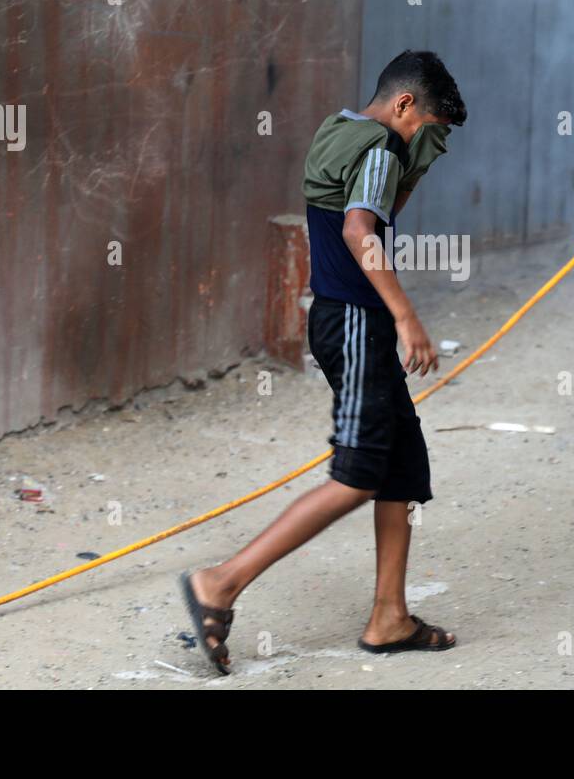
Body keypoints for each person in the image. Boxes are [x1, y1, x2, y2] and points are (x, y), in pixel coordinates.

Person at [181, 50, 467, 673]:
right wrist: (407, 317)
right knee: (359, 474)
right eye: (428, 129)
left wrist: (410, 173)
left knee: (401, 469)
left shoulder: (343, 130)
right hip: (360, 324)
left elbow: (369, 213)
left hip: (341, 320)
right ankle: (221, 583)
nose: (427, 143)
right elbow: (360, 232)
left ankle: (389, 617)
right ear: (403, 105)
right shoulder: (380, 149)